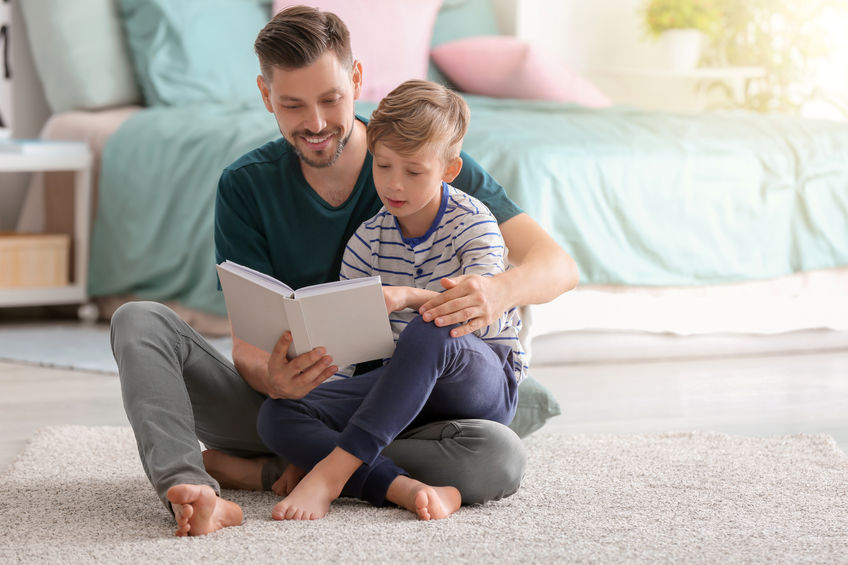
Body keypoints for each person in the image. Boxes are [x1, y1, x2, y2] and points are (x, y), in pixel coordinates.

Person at [110, 5, 578, 537]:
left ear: (356, 80)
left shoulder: (424, 156)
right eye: (292, 104)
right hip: (301, 403)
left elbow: (556, 266)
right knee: (138, 321)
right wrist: (274, 378)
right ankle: (191, 490)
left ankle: (284, 470)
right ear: (266, 97)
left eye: (331, 99)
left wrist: (495, 291)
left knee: (494, 456)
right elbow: (246, 346)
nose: (314, 123)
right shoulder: (245, 186)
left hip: (429, 395)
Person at [257, 79, 528, 521]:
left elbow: (480, 319)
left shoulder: (476, 224)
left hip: (479, 382)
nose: (394, 184)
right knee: (277, 415)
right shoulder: (366, 242)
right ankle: (405, 487)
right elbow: (346, 360)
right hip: (399, 389)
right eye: (383, 166)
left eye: (414, 171)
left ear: (449, 169)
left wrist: (405, 297)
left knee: (432, 327)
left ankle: (331, 472)